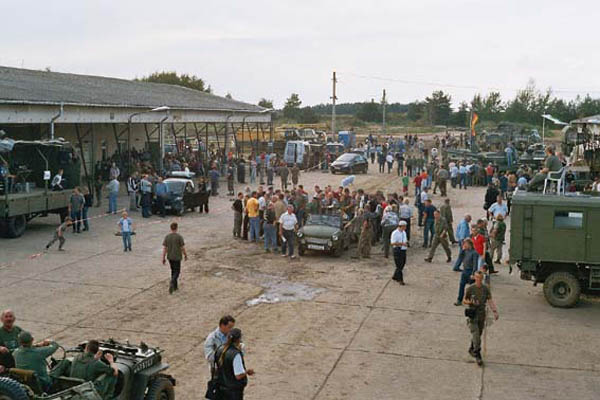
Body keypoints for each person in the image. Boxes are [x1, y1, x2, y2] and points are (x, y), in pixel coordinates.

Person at [463, 270, 499, 366]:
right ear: (474, 278)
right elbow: (464, 300)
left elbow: (490, 300)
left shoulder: (485, 289)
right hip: (473, 315)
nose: (479, 280)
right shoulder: (470, 289)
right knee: (476, 336)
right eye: (477, 278)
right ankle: (477, 354)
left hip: (482, 315)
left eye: (480, 278)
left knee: (478, 334)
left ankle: (471, 348)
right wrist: (471, 302)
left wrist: (495, 311)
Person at [214, 328, 254, 400]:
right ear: (238, 339)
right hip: (233, 391)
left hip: (221, 387)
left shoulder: (220, 349)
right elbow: (238, 375)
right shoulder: (235, 354)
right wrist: (247, 372)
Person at [162, 222, 188, 294]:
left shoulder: (167, 237)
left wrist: (163, 258)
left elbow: (165, 248)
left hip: (170, 256)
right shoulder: (179, 237)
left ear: (171, 228)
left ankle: (175, 286)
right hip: (177, 256)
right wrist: (185, 255)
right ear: (176, 228)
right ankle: (172, 282)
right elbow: (182, 247)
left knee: (173, 270)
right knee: (177, 271)